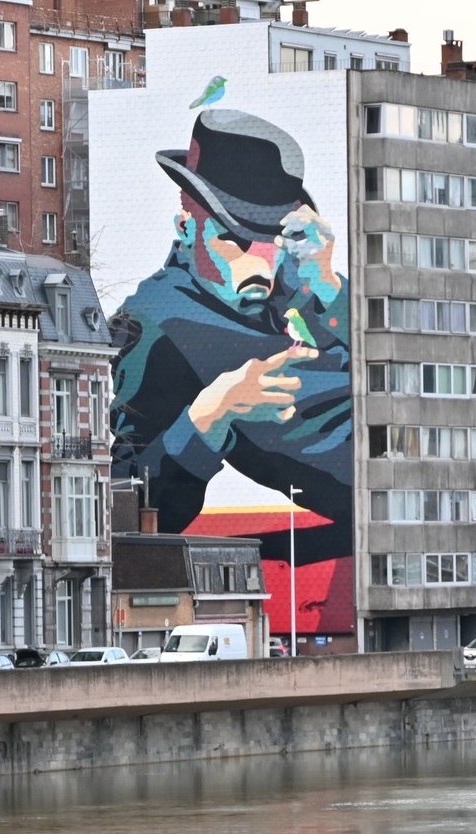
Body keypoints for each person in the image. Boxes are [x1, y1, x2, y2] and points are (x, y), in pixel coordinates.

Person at [111, 110, 351, 562]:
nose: (261, 263)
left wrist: (331, 291)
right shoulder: (154, 322)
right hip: (376, 522)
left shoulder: (305, 280)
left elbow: (405, 372)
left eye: (274, 239)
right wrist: (210, 417)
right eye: (234, 241)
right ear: (186, 227)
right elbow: (129, 506)